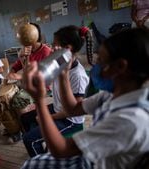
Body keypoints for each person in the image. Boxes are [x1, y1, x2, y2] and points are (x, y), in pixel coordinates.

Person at [21, 28, 149, 169]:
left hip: (95, 162)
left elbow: (62, 149)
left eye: (100, 60)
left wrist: (39, 101)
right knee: (31, 162)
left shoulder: (130, 120)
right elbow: (72, 109)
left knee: (31, 165)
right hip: (96, 155)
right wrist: (64, 75)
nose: (95, 65)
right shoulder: (112, 93)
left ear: (120, 66)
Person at [21, 25, 90, 157]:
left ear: (67, 49)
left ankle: (41, 159)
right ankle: (41, 141)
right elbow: (39, 78)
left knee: (28, 139)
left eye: (54, 45)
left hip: (70, 121)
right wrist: (24, 59)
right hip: (58, 108)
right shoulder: (59, 63)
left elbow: (73, 111)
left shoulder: (78, 76)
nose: (51, 49)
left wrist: (47, 117)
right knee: (25, 118)